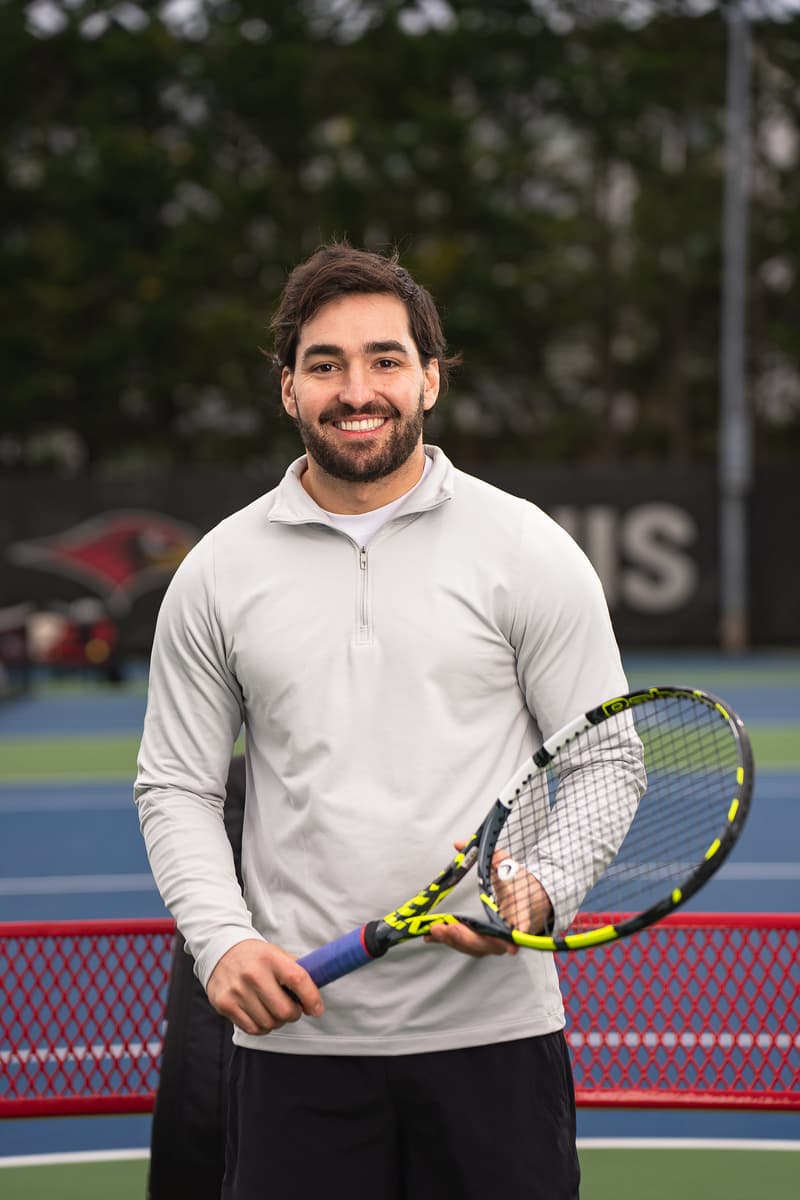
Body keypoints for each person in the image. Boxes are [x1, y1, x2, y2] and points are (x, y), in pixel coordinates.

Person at [135, 242, 631, 1200]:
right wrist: (223, 943)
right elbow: (179, 786)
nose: (356, 389)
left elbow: (608, 754)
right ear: (288, 389)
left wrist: (547, 892)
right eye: (325, 364)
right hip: (296, 1046)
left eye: (385, 360)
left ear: (430, 380)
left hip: (495, 1039)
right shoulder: (217, 572)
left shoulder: (526, 548)